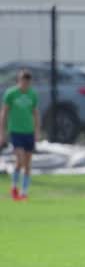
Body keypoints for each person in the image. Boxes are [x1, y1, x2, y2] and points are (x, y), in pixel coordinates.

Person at [1, 69, 41, 201]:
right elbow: (4, 113)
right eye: (23, 82)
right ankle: (14, 187)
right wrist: (2, 132)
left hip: (28, 132)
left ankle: (23, 192)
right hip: (16, 132)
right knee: (21, 159)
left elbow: (35, 113)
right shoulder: (11, 94)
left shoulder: (32, 95)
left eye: (27, 83)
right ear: (19, 81)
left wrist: (36, 131)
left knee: (26, 164)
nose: (25, 85)